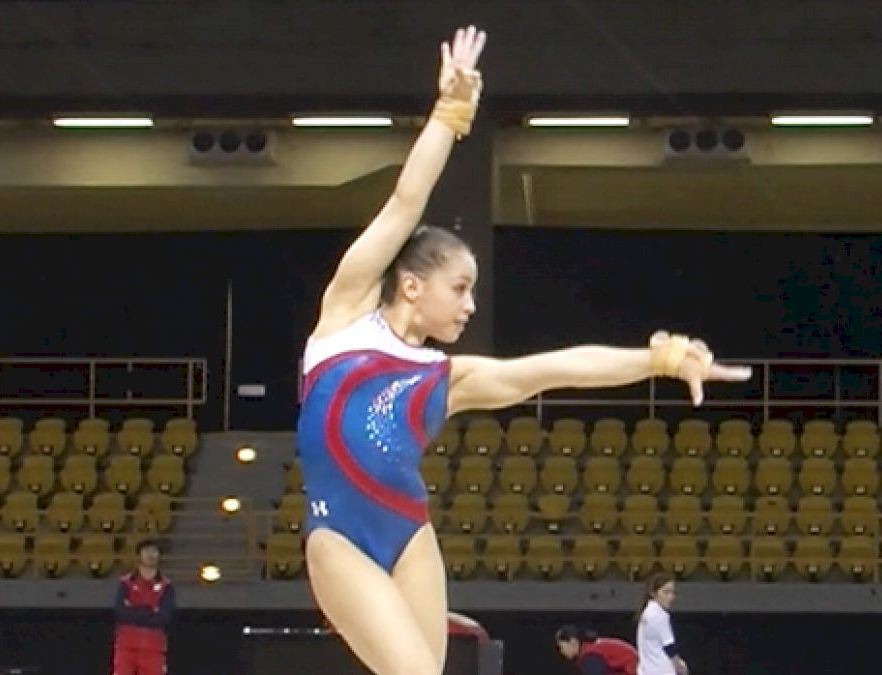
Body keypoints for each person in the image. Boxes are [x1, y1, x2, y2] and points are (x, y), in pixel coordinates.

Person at [296, 24, 751, 675]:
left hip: (409, 535)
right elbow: (405, 200)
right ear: (411, 282)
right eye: (460, 288)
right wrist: (450, 114)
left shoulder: (444, 376)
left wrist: (657, 359)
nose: (470, 305)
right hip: (339, 538)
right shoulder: (342, 322)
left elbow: (554, 369)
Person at [112, 538, 176, 675]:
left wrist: (134, 610)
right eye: (146, 551)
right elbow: (120, 612)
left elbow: (164, 617)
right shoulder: (126, 583)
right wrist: (149, 610)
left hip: (154, 647)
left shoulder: (166, 586)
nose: (150, 555)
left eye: (154, 551)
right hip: (126, 646)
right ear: (139, 555)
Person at [636, 574, 688, 675]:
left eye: (673, 593)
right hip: (662, 670)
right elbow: (669, 647)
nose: (670, 597)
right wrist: (680, 666)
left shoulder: (646, 612)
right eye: (666, 592)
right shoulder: (660, 615)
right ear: (653, 593)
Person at [556, 625, 640, 675]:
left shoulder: (590, 655)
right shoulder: (592, 648)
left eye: (562, 647)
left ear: (573, 642)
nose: (561, 651)